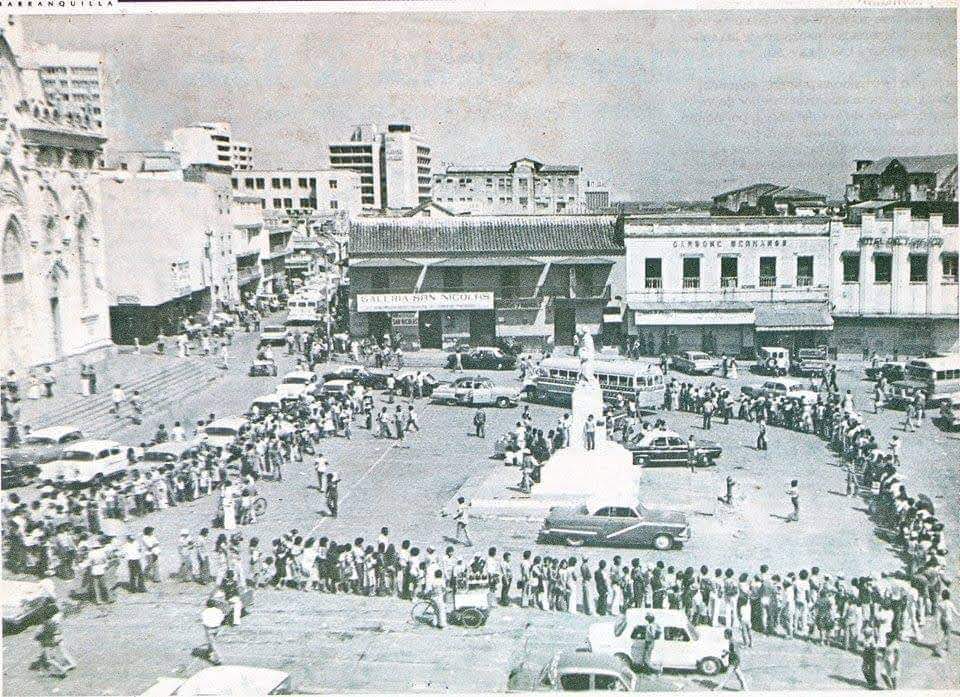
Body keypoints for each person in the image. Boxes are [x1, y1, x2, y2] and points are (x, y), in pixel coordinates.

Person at [33, 614, 76, 679]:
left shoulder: (42, 627)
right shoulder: (53, 621)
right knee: (61, 653)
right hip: (56, 640)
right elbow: (59, 631)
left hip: (48, 643)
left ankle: (61, 671)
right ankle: (70, 664)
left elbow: (37, 637)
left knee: (49, 659)